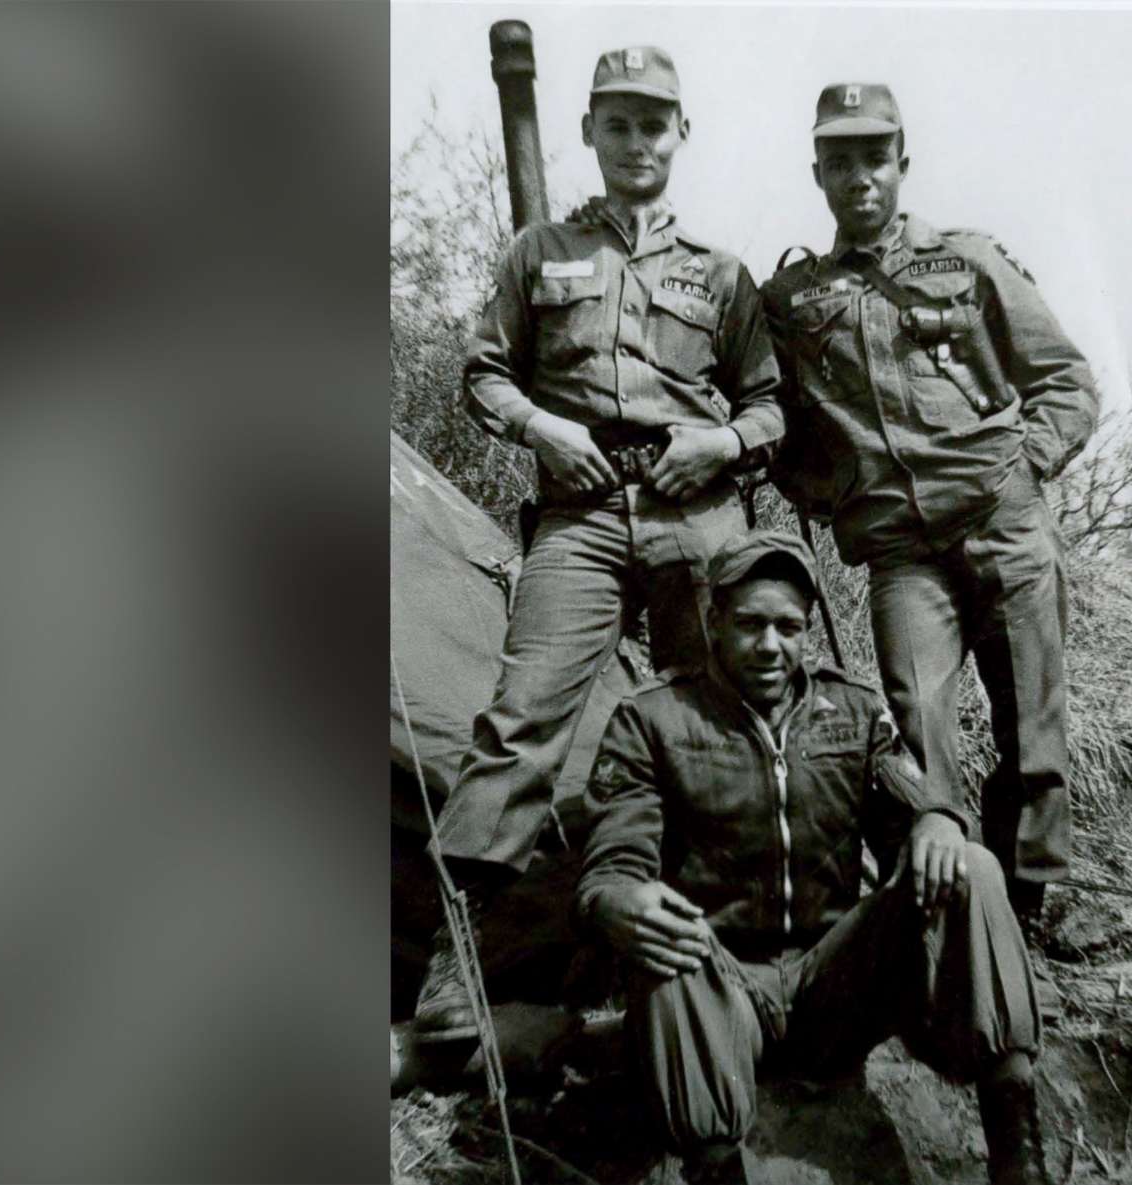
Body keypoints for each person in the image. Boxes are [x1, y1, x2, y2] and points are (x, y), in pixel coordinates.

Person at [416, 45, 787, 1042]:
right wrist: (546, 429)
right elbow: (485, 374)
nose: (635, 142)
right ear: (589, 133)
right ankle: (459, 960)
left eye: (653, 124)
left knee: (709, 718)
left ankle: (720, 945)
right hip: (580, 513)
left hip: (692, 511)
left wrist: (719, 441)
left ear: (681, 137)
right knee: (522, 714)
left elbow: (768, 407)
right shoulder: (538, 254)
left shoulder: (721, 274)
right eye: (616, 124)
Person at [759, 82, 1097, 1009]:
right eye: (839, 159)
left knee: (1035, 728)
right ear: (817, 173)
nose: (858, 176)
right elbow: (770, 424)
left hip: (1004, 525)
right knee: (916, 723)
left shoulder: (970, 261)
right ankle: (947, 914)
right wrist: (831, 495)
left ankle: (1027, 913)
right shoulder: (792, 299)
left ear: (902, 163)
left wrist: (1025, 467)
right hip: (903, 552)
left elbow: (1067, 380)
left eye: (875, 156)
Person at [581, 531, 1049, 1185]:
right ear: (714, 620)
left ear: (808, 632)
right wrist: (620, 899)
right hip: (723, 993)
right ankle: (716, 1167)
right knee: (668, 937)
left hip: (833, 986)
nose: (769, 646)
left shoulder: (853, 712)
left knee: (971, 862)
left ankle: (1020, 1159)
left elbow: (908, 827)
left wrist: (938, 816)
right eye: (749, 624)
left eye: (788, 627)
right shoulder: (653, 719)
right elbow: (614, 858)